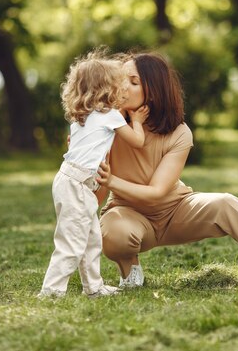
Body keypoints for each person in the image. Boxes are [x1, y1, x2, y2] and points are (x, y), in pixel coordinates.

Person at [95, 52, 238, 293]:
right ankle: (129, 271)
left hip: (174, 210)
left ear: (153, 89)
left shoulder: (179, 133)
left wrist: (112, 180)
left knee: (226, 203)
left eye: (133, 81)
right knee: (114, 231)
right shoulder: (106, 127)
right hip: (127, 212)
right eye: (121, 80)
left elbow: (157, 191)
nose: (123, 87)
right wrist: (87, 166)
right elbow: (98, 196)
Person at [38, 48, 150, 298]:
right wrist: (138, 121)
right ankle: (52, 291)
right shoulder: (109, 116)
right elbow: (137, 141)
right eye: (120, 85)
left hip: (71, 181)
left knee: (90, 240)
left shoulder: (83, 115)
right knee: (71, 243)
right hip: (78, 186)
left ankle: (94, 287)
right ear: (106, 88)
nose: (123, 90)